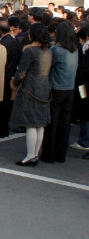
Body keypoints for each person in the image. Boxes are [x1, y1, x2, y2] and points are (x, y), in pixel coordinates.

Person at [10, 23, 53, 167]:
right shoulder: (48, 50)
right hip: (44, 87)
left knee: (30, 124)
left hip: (30, 88)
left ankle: (30, 155)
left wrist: (15, 83)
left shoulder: (30, 52)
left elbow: (21, 72)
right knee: (40, 124)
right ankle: (35, 154)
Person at [41, 21, 78, 163]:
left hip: (57, 88)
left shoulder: (56, 50)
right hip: (70, 89)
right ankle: (61, 154)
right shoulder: (74, 50)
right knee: (65, 122)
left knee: (52, 122)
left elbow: (48, 66)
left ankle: (49, 154)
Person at [0, 19, 21, 137]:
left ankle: (0, 130)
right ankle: (3, 129)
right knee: (6, 106)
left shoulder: (3, 43)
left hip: (3, 76)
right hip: (11, 75)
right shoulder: (14, 41)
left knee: (1, 106)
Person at [70, 26, 89, 152]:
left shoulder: (86, 51)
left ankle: (85, 141)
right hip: (85, 86)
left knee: (85, 111)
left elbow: (84, 72)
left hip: (85, 87)